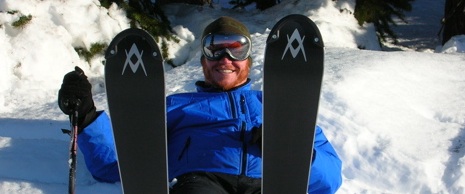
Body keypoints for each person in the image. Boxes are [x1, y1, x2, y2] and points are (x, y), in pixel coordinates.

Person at [58, 16, 342, 194]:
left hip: (271, 184)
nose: (225, 58)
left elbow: (329, 180)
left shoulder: (282, 107)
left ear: (248, 61)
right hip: (200, 181)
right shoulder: (176, 106)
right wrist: (86, 116)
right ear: (204, 60)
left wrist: (295, 153)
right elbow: (121, 163)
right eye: (215, 49)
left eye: (237, 49)